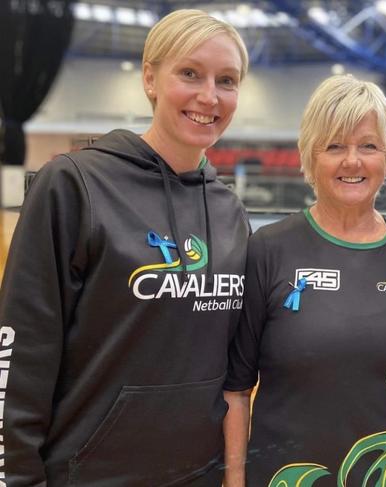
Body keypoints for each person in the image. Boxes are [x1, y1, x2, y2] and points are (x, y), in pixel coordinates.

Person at [0, 9, 250, 486]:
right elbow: (20, 352)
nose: (209, 96)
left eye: (227, 80)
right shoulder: (74, 186)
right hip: (88, 474)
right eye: (190, 73)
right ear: (150, 77)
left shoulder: (228, 211)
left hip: (197, 474)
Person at [223, 74, 386, 487]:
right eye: (335, 146)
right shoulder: (268, 249)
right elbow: (235, 389)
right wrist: (234, 480)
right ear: (310, 157)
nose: (352, 161)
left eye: (368, 146)